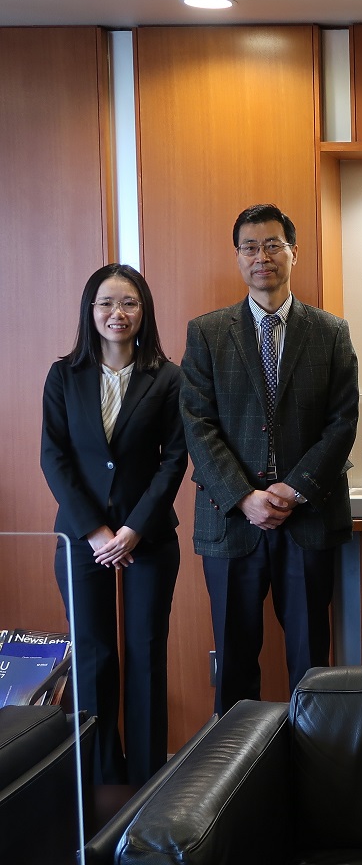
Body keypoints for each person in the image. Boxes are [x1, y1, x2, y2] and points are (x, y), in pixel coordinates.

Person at [180, 203, 359, 714]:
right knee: (234, 656)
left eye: (273, 245)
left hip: (308, 518)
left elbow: (342, 422)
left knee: (310, 659)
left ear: (293, 253)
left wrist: (292, 489)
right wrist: (244, 496)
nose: (262, 256)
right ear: (238, 257)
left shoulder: (330, 331)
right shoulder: (207, 332)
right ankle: (238, 760)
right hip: (231, 522)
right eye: (250, 247)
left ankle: (315, 753)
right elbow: (198, 423)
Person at [40, 265, 187, 785]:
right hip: (83, 538)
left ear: (143, 311)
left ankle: (148, 782)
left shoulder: (168, 377)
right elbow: (53, 457)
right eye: (106, 302)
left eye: (129, 303)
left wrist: (134, 529)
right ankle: (101, 780)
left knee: (145, 653)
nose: (117, 313)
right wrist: (97, 532)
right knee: (93, 656)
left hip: (148, 536)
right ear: (90, 310)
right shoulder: (64, 375)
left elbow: (175, 459)